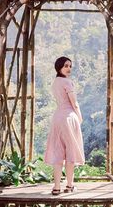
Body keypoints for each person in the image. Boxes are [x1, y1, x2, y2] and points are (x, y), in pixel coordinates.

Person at [44, 56, 85, 196]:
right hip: (69, 117)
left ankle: (56, 187)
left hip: (57, 117)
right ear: (59, 66)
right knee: (71, 152)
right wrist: (79, 117)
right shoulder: (67, 82)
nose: (69, 68)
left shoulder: (55, 82)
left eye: (70, 66)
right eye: (66, 65)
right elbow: (74, 103)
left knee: (58, 152)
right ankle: (69, 185)